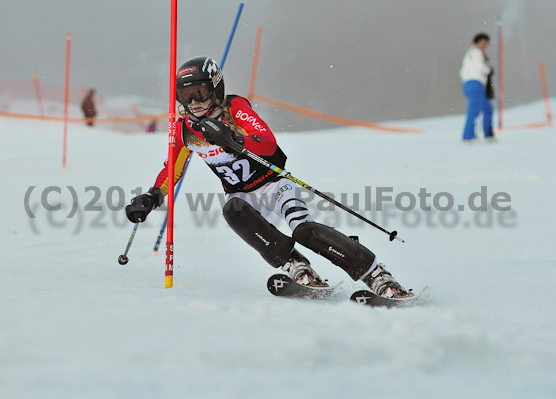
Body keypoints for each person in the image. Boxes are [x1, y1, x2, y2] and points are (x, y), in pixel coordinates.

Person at [125, 56, 412, 299]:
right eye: (185, 96)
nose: (194, 102)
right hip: (241, 194)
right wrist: (152, 197)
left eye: (199, 92)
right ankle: (295, 265)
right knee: (233, 211)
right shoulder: (184, 128)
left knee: (304, 230)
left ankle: (375, 273)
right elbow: (172, 170)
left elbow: (267, 143)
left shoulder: (234, 108)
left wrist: (232, 138)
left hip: (274, 184)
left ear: (215, 88)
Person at [459, 33, 495, 143]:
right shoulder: (476, 52)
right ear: (480, 42)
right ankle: (468, 136)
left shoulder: (472, 53)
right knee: (474, 110)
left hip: (473, 84)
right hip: (474, 83)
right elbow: (480, 68)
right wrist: (488, 70)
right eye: (485, 43)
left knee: (487, 108)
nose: (485, 46)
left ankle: (488, 134)